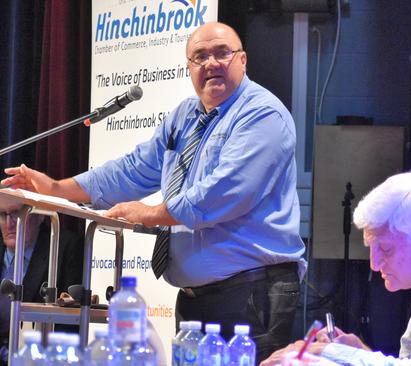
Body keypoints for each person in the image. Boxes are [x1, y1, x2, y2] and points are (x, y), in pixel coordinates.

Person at [2, 21, 305, 360]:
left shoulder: (261, 115)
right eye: (199, 57)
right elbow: (133, 169)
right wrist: (58, 188)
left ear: (243, 60)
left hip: (251, 295)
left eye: (223, 53)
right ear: (189, 68)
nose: (211, 64)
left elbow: (222, 194)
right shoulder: (186, 117)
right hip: (197, 300)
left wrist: (148, 214)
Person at [262, 172, 411, 366]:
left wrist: (331, 353)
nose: (374, 264)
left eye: (385, 249)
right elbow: (410, 361)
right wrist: (359, 351)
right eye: (371, 249)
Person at [0, 198, 83, 364]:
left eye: (17, 214)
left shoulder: (65, 247)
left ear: (40, 216)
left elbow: (68, 328)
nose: (9, 224)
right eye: (2, 215)